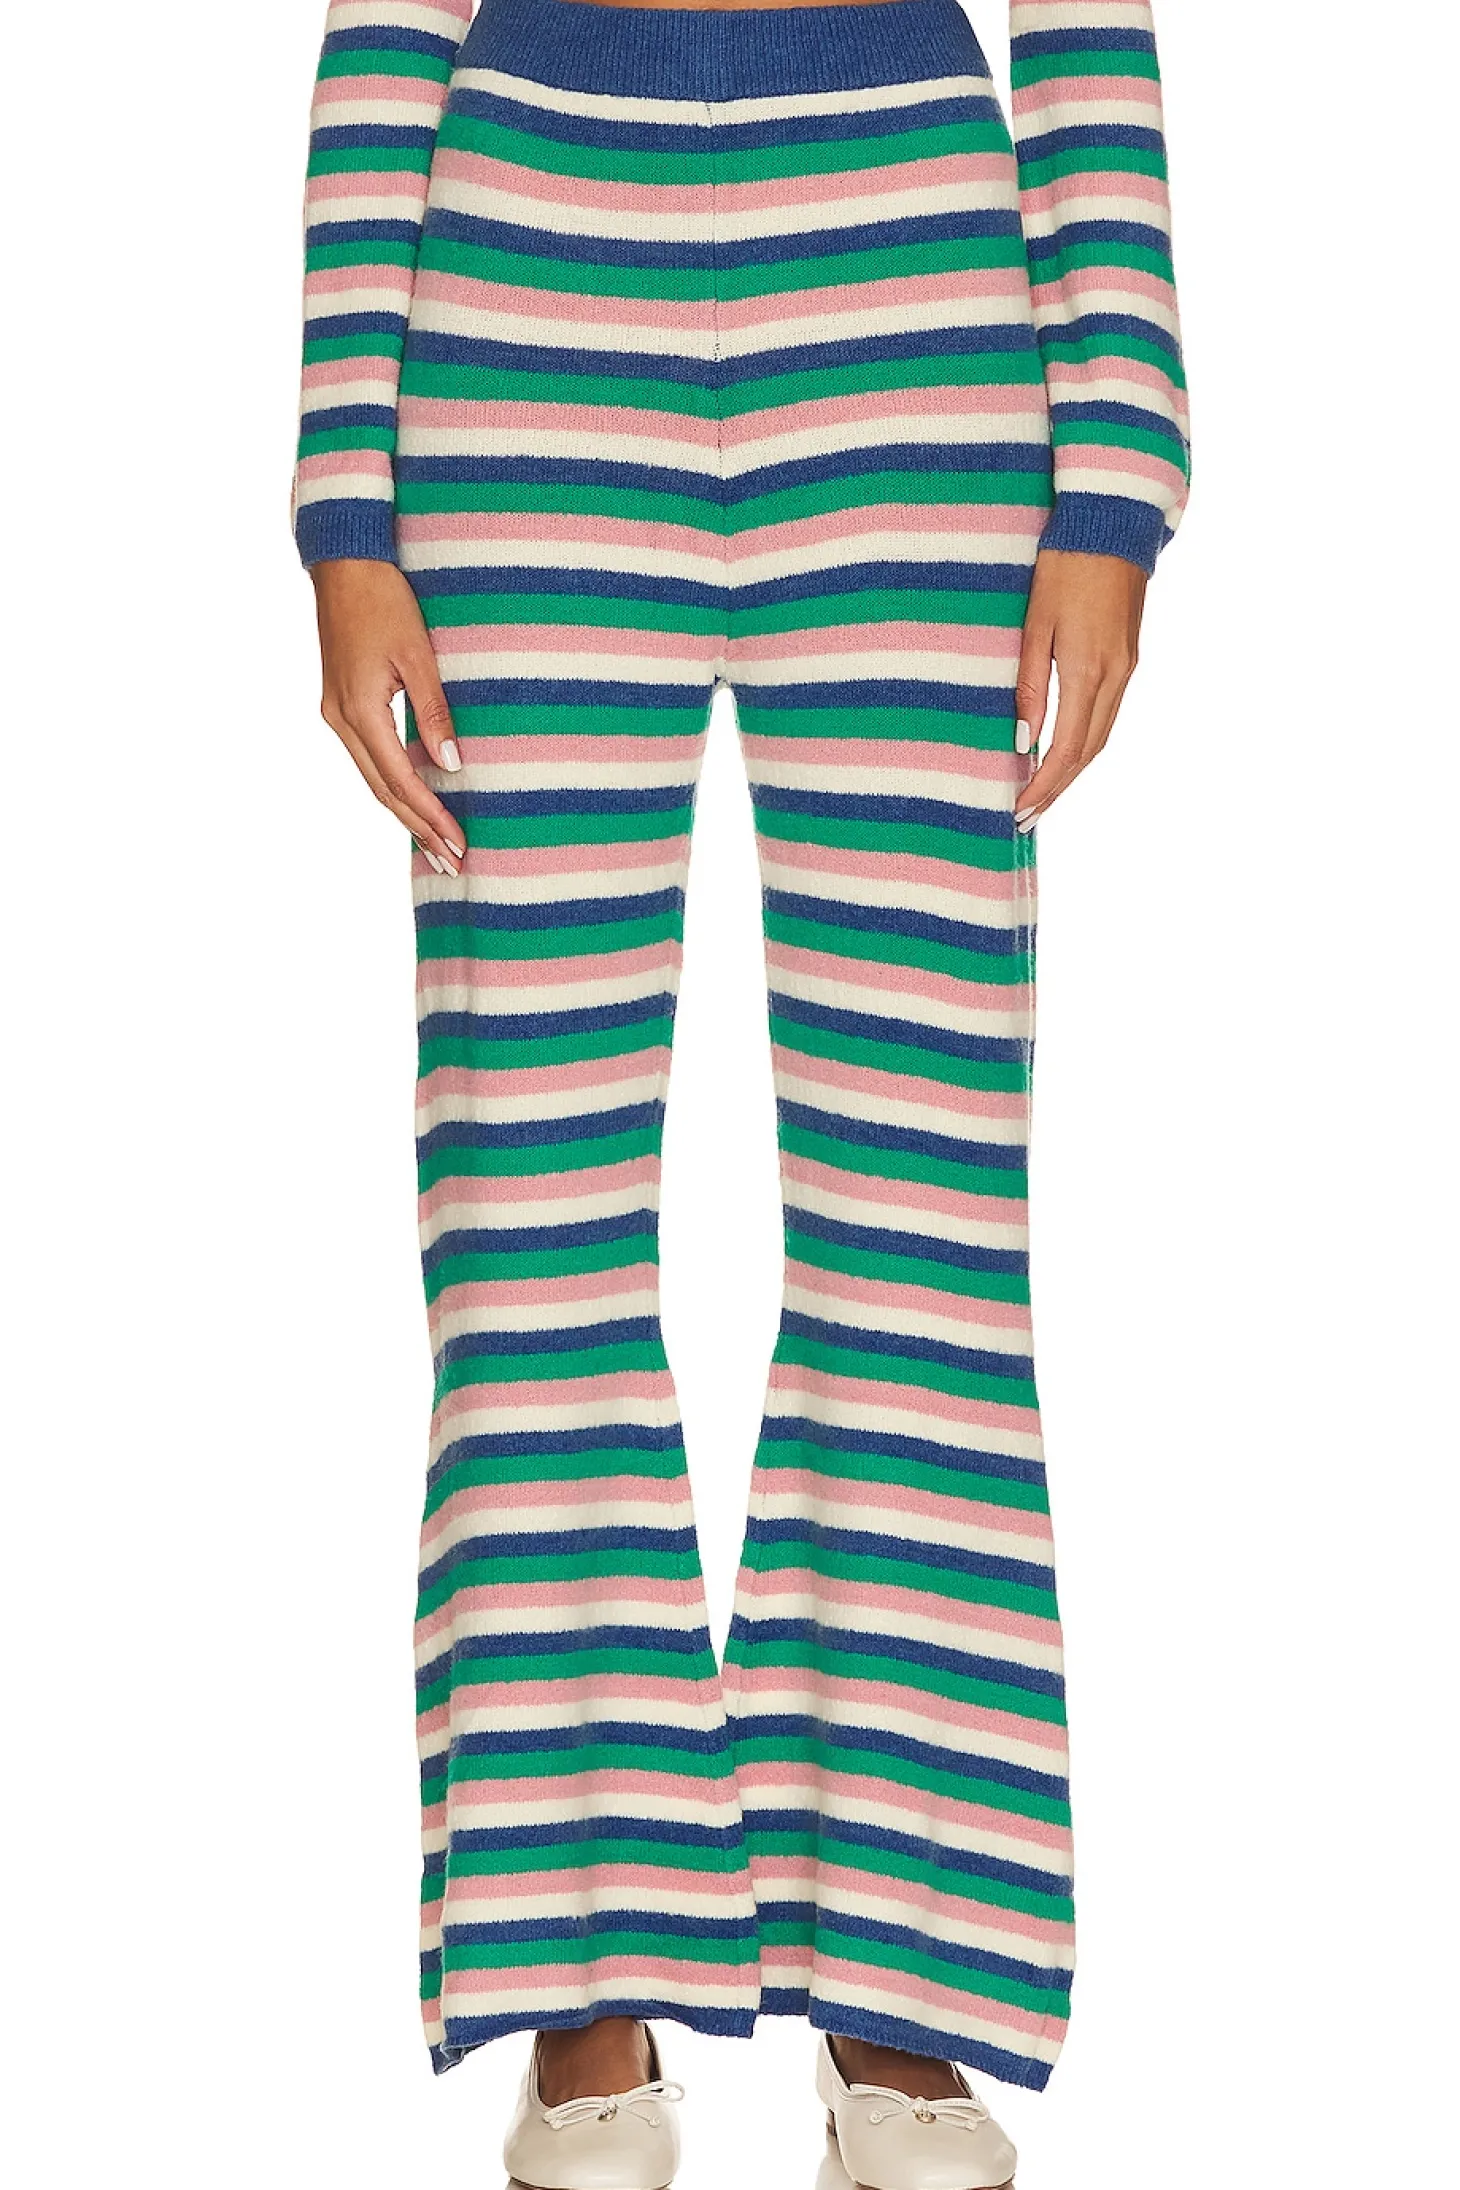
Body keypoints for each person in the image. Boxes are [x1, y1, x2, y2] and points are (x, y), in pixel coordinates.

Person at [294, 0, 1187, 2181]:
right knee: (523, 1206)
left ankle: (908, 1975)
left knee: (922, 1208)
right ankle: (577, 1974)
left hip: (914, 297)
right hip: (518, 280)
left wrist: (1117, 463)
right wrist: (341, 494)